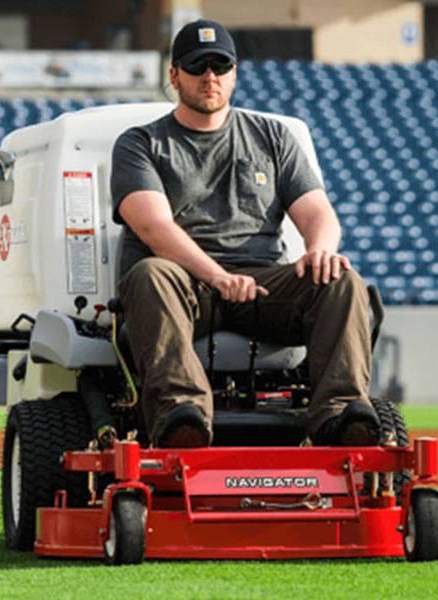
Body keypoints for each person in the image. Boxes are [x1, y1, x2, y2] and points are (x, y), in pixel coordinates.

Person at [110, 19, 379, 448]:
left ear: (235, 73)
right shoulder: (141, 144)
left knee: (340, 278)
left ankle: (340, 413)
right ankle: (183, 414)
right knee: (149, 273)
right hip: (186, 286)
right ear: (175, 75)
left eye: (220, 66)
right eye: (198, 67)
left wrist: (321, 249)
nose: (210, 77)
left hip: (260, 284)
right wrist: (216, 276)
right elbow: (153, 227)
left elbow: (316, 211)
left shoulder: (272, 136)